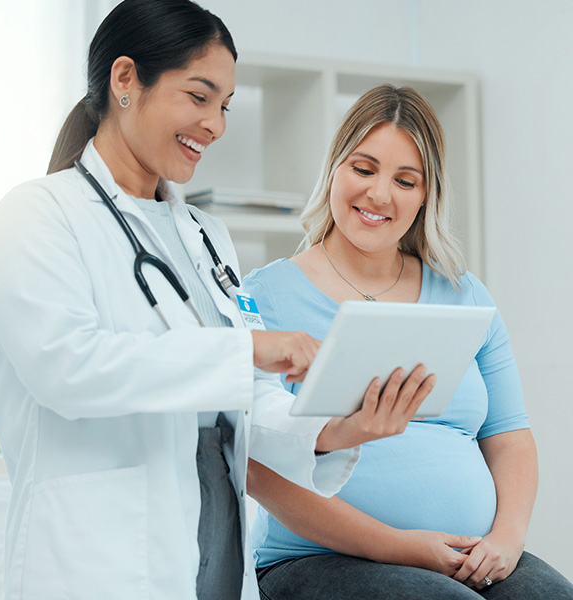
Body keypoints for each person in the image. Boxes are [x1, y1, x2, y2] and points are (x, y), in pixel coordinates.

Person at [0, 3, 439, 599]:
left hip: (215, 558)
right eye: (199, 97)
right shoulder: (38, 214)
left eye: (223, 106)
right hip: (97, 564)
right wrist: (243, 349)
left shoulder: (205, 237)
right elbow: (66, 369)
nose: (217, 124)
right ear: (125, 80)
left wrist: (332, 431)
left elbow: (248, 398)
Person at [243, 84, 573, 599]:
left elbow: (508, 435)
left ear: (426, 195)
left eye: (405, 180)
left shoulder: (464, 294)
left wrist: (507, 539)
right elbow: (256, 467)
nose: (379, 195)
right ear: (335, 167)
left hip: (468, 552)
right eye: (364, 168)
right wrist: (400, 546)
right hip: (318, 559)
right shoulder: (264, 296)